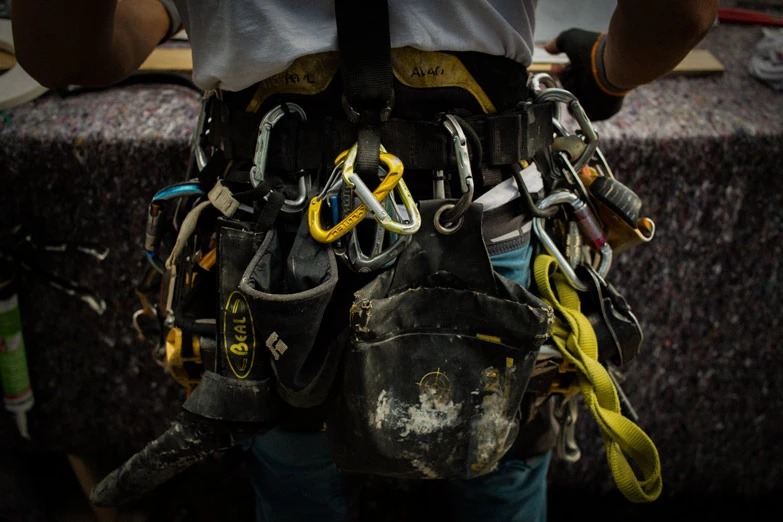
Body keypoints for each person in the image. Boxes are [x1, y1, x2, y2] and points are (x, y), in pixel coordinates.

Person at [12, 1, 719, 521]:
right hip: (482, 214)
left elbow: (66, 49)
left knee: (294, 479)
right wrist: (602, 70)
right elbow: (678, 14)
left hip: (277, 241)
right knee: (496, 467)